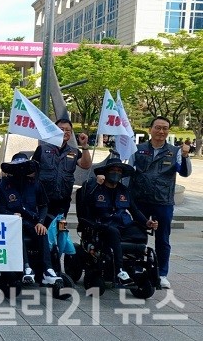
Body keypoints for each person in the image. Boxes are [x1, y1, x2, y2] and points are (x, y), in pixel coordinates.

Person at [129, 116, 191, 289]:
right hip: (140, 200)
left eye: (165, 128)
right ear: (150, 129)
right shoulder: (137, 149)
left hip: (163, 201)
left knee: (163, 239)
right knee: (136, 236)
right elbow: (129, 172)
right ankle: (135, 269)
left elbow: (184, 172)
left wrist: (185, 155)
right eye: (158, 127)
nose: (161, 131)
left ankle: (162, 273)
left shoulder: (175, 152)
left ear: (168, 131)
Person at [80, 158, 158, 285]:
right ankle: (120, 271)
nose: (116, 173)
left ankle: (135, 267)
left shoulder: (124, 190)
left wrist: (147, 223)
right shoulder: (95, 188)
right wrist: (95, 184)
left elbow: (134, 210)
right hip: (104, 225)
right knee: (114, 232)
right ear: (105, 172)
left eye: (119, 171)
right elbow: (86, 205)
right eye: (112, 170)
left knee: (140, 232)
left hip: (123, 224)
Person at [0, 153, 62, 285]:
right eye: (17, 167)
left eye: (23, 166)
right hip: (13, 224)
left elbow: (43, 206)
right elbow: (0, 208)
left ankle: (48, 270)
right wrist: (11, 215)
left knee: (42, 231)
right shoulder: (3, 185)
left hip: (32, 221)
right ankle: (26, 267)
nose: (20, 169)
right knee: (17, 230)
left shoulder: (35, 184)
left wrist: (41, 222)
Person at [32, 118, 92, 218]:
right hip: (42, 200)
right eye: (61, 129)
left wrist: (84, 146)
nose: (64, 132)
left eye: (68, 130)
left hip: (62, 200)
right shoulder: (42, 149)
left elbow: (86, 165)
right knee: (42, 229)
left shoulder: (74, 152)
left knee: (59, 230)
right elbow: (32, 171)